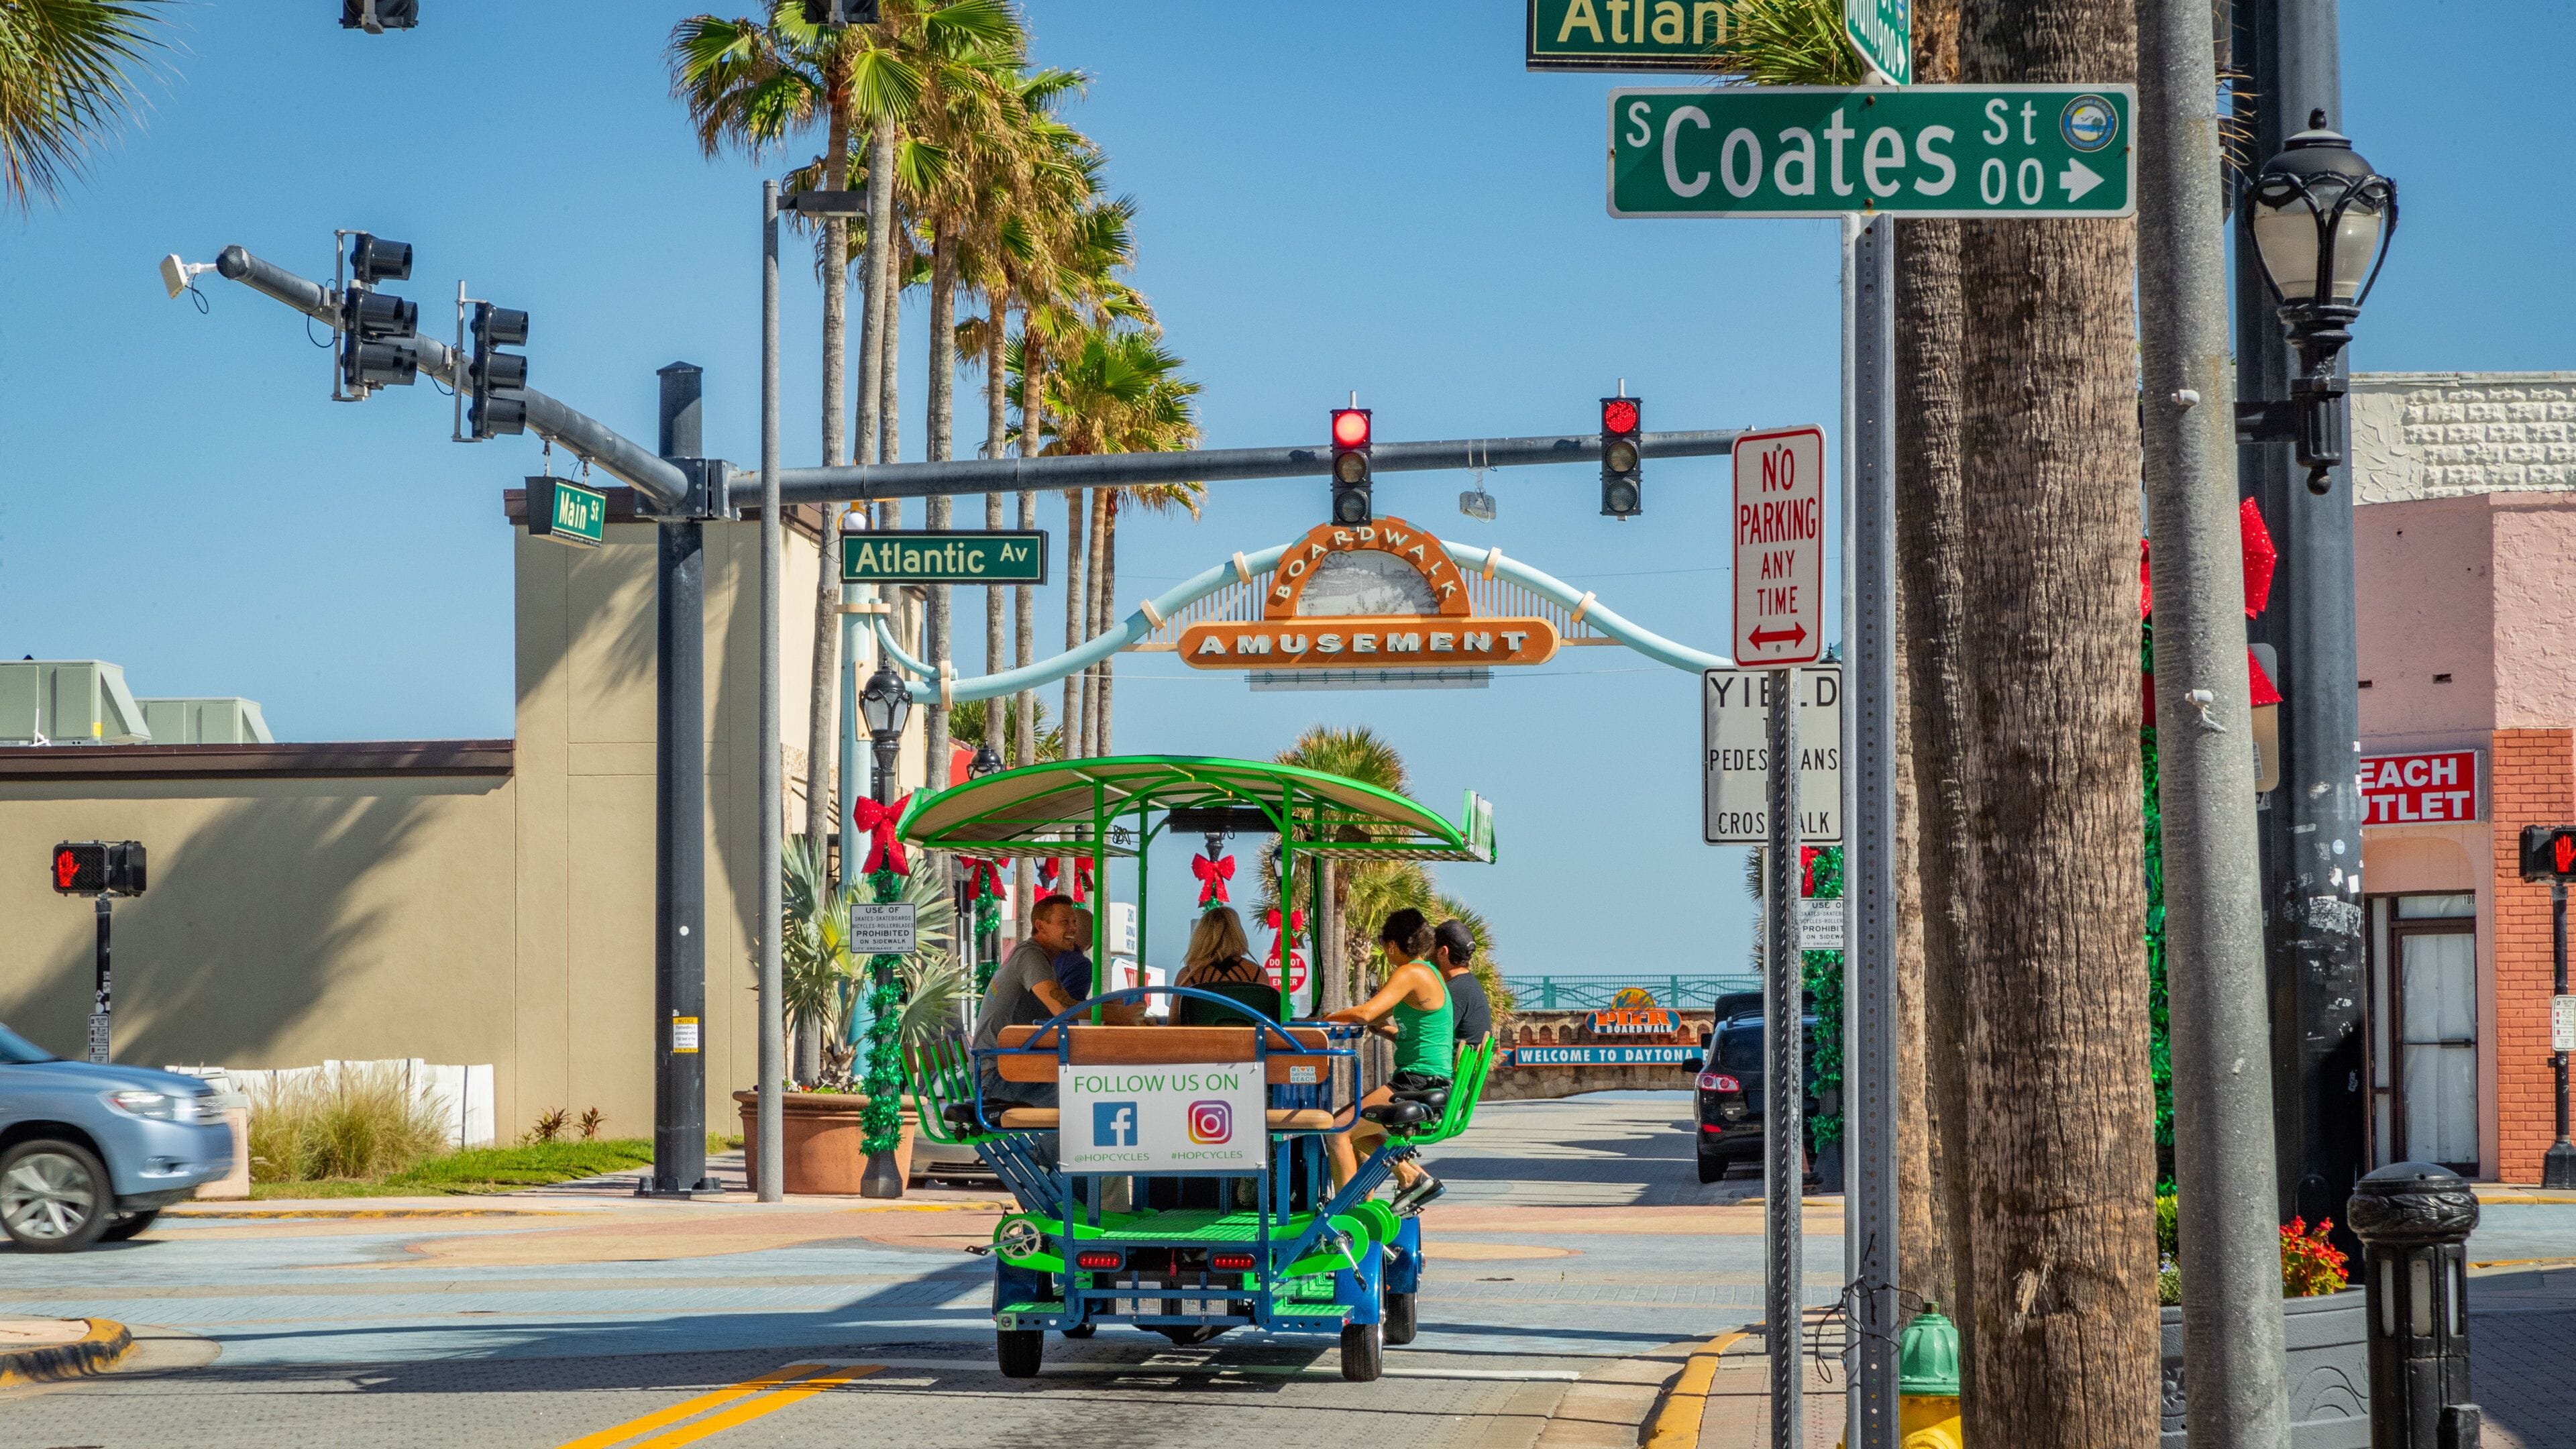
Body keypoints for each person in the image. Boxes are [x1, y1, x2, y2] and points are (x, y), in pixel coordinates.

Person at [1324, 908, 1450, 1215]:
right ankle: (1409, 1175)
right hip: (1427, 1077)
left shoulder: (1410, 972)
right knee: (1356, 1128)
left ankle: (1346, 1215)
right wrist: (1386, 1030)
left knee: (1337, 1130)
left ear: (1393, 946)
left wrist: (1323, 1019)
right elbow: (1392, 1023)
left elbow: (1366, 1013)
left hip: (1419, 1080)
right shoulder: (1429, 972)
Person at [971, 895, 1136, 1110]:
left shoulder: (1040, 958)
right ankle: (1044, 1147)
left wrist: (1109, 1007)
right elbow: (1062, 1009)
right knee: (1082, 1098)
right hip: (998, 1078)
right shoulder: (1031, 956)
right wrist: (1121, 1015)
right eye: (1064, 923)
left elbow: (1065, 1003)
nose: (1073, 929)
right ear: (1041, 926)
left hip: (1006, 1070)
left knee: (1087, 1090)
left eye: (1074, 922)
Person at [1171, 906, 1281, 1027]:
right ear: (1238, 934)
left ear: (1200, 937)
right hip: (1249, 1046)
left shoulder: (1187, 976)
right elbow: (1270, 1028)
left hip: (1200, 1045)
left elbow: (1173, 1027)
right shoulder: (1257, 974)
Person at [1430, 918, 1493, 1050]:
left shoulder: (1456, 991)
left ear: (1443, 952)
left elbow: (1430, 1041)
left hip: (1445, 1069)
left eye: (1431, 947)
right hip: (1460, 1069)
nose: (1427, 954)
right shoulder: (1468, 985)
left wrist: (1386, 1029)